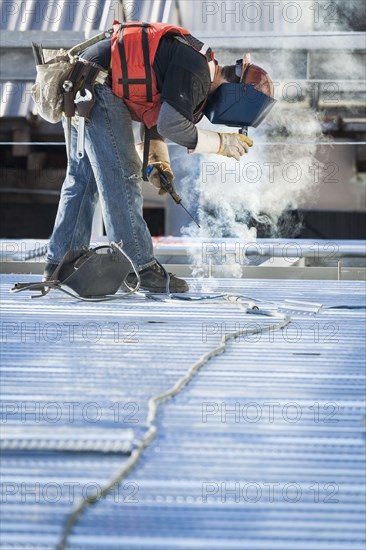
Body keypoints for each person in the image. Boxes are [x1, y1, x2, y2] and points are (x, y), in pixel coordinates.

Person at [44, 22, 274, 293]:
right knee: (122, 175)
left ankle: (60, 263)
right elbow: (170, 124)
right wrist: (220, 144)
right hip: (98, 87)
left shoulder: (195, 64)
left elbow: (153, 116)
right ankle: (139, 268)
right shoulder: (199, 72)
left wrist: (158, 162)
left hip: (81, 83)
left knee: (83, 179)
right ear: (234, 91)